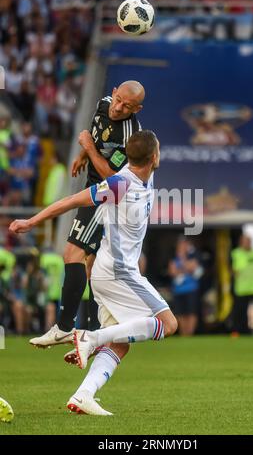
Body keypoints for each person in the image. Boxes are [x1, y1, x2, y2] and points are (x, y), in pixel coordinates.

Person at [10, 130, 178, 416]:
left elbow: (138, 147)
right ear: (154, 157)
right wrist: (32, 221)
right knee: (168, 324)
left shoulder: (145, 175)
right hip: (119, 272)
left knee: (121, 344)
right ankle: (90, 338)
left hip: (108, 270)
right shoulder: (120, 183)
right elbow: (72, 201)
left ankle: (83, 395)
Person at [29, 80, 144, 347]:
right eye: (117, 100)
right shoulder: (103, 104)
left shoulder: (131, 136)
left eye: (126, 106)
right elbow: (95, 132)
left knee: (73, 254)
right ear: (113, 92)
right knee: (91, 266)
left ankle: (65, 327)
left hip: (107, 196)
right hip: (93, 187)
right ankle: (96, 333)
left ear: (136, 108)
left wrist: (89, 149)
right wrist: (83, 154)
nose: (117, 108)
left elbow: (114, 179)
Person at [168, 236, 201, 336]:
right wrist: (185, 269)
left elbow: (193, 267)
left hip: (191, 289)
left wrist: (183, 262)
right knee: (180, 313)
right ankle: (184, 334)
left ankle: (190, 333)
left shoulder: (193, 257)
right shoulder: (173, 260)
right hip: (178, 290)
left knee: (191, 312)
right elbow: (173, 272)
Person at [231, 234, 253, 335]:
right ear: (241, 242)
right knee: (240, 311)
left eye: (249, 241)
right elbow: (231, 269)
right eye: (246, 241)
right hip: (242, 287)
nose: (248, 243)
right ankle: (240, 330)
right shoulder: (236, 253)